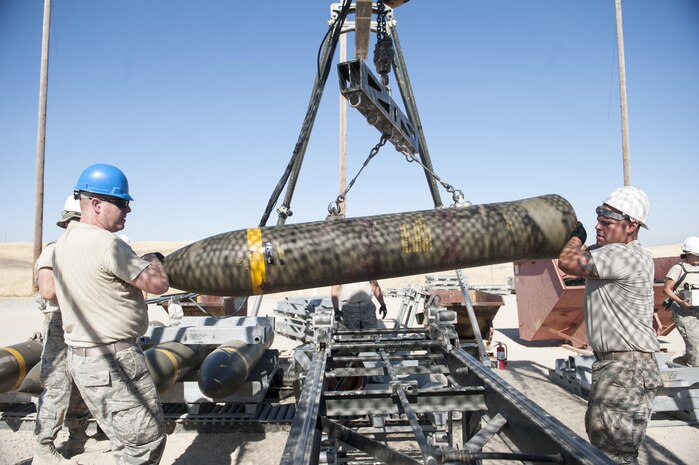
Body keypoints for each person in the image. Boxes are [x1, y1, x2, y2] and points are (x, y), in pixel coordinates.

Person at [53, 163, 169, 465]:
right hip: (114, 361)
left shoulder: (63, 244)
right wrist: (154, 260)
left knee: (123, 439)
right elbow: (157, 284)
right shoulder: (107, 244)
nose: (128, 209)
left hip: (83, 360)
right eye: (121, 202)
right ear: (96, 204)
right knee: (146, 440)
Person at [557, 186, 661, 465]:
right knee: (608, 447)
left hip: (625, 371)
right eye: (598, 221)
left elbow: (567, 261)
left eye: (607, 223)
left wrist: (576, 236)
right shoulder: (615, 253)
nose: (597, 227)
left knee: (614, 456)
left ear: (632, 226)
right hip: (619, 368)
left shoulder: (622, 255)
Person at [33, 195, 110, 465]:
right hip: (60, 325)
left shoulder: (83, 249)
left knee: (80, 384)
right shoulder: (55, 249)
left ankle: (78, 437)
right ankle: (43, 450)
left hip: (83, 325)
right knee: (57, 387)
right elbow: (48, 290)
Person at [664, 236, 699, 366]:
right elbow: (667, 289)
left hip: (698, 311)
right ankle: (678, 363)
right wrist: (680, 301)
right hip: (684, 312)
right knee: (695, 349)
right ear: (687, 254)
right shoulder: (678, 268)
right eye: (696, 256)